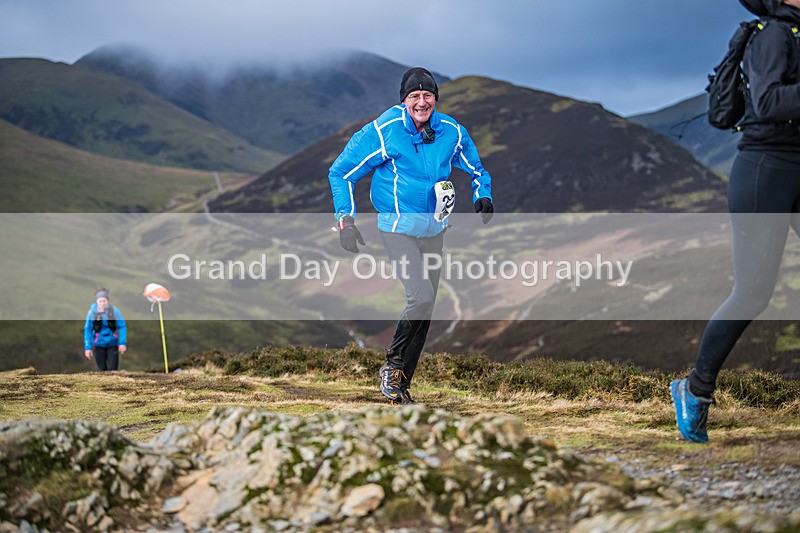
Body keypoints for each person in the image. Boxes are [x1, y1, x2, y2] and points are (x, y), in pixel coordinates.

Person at [672, 0, 800, 443]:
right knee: (753, 294)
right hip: (766, 171)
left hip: (794, 166)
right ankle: (695, 390)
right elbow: (767, 101)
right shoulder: (775, 35)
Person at [328, 67, 494, 404]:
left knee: (426, 308)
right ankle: (391, 367)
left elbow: (477, 169)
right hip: (397, 230)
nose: (422, 102)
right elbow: (340, 172)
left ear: (436, 98)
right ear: (404, 100)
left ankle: (401, 387)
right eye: (414, 96)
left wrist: (483, 194)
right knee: (418, 297)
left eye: (428, 95)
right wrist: (346, 221)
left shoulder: (451, 131)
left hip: (435, 229)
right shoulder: (384, 131)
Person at [83, 288, 127, 371]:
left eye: (104, 301)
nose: (102, 303)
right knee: (102, 369)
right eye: (100, 301)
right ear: (96, 301)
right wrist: (88, 348)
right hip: (98, 344)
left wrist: (122, 343)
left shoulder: (115, 311)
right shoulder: (91, 314)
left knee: (113, 369)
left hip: (112, 343)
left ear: (108, 301)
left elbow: (122, 326)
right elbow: (88, 330)